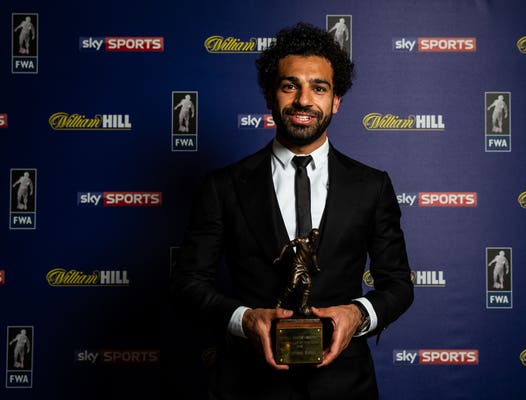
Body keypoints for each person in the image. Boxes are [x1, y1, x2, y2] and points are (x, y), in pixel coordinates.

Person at [171, 22, 413, 400]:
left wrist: (358, 315)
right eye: (290, 85)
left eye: (319, 87)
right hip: (248, 386)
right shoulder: (224, 185)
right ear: (270, 96)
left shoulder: (372, 185)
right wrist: (244, 319)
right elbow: (188, 283)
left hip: (345, 387)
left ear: (336, 100)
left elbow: (398, 285)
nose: (303, 100)